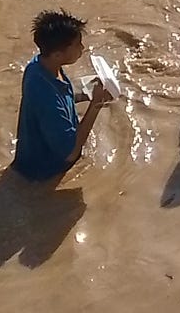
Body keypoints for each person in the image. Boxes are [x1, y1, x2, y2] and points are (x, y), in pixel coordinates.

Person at [13, 10, 112, 183]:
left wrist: (87, 93)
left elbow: (61, 95)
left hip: (31, 156)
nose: (82, 48)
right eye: (77, 45)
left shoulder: (37, 67)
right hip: (46, 171)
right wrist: (96, 104)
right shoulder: (47, 99)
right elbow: (70, 152)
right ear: (58, 54)